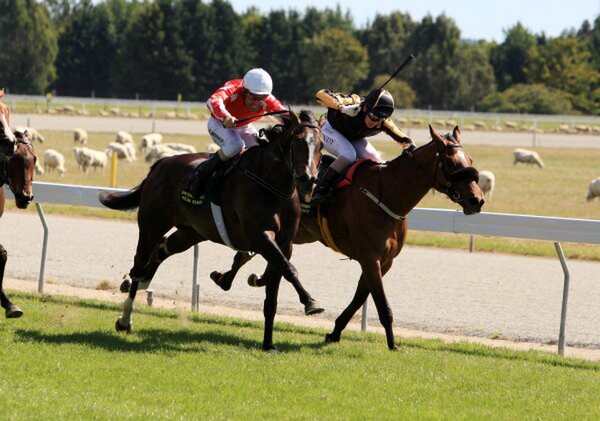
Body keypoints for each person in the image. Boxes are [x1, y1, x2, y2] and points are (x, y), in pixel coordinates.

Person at [187, 68, 287, 197]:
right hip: (220, 124)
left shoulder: (268, 98)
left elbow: (285, 115)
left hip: (244, 126)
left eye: (262, 98)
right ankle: (201, 173)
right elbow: (212, 101)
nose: (257, 102)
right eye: (253, 97)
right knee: (235, 146)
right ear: (244, 91)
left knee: (260, 151)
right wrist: (226, 117)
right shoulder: (234, 88)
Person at [311, 87, 415, 203]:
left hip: (352, 136)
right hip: (328, 128)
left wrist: (411, 147)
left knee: (374, 159)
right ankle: (321, 188)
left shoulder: (383, 122)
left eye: (380, 119)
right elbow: (321, 94)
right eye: (373, 116)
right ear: (365, 108)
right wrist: (342, 108)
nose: (375, 122)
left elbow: (405, 139)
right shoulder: (354, 101)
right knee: (349, 154)